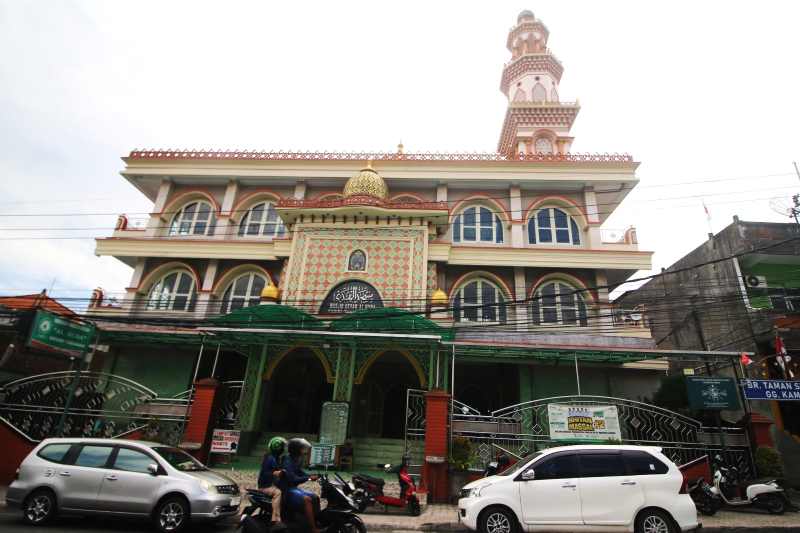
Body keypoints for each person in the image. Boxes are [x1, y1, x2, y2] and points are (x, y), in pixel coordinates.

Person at [280, 438, 320, 533]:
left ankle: (315, 521)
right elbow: (293, 479)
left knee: (315, 497)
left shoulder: (295, 460)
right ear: (296, 450)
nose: (304, 451)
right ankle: (313, 529)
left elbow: (300, 472)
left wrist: (311, 475)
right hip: (286, 490)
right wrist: (308, 478)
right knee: (307, 500)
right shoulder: (287, 461)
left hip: (293, 488)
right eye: (302, 449)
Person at [256, 436, 286, 524]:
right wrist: (283, 472)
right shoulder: (271, 459)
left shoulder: (271, 457)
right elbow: (277, 471)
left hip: (268, 484)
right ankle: (275, 518)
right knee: (278, 492)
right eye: (282, 447)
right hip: (265, 486)